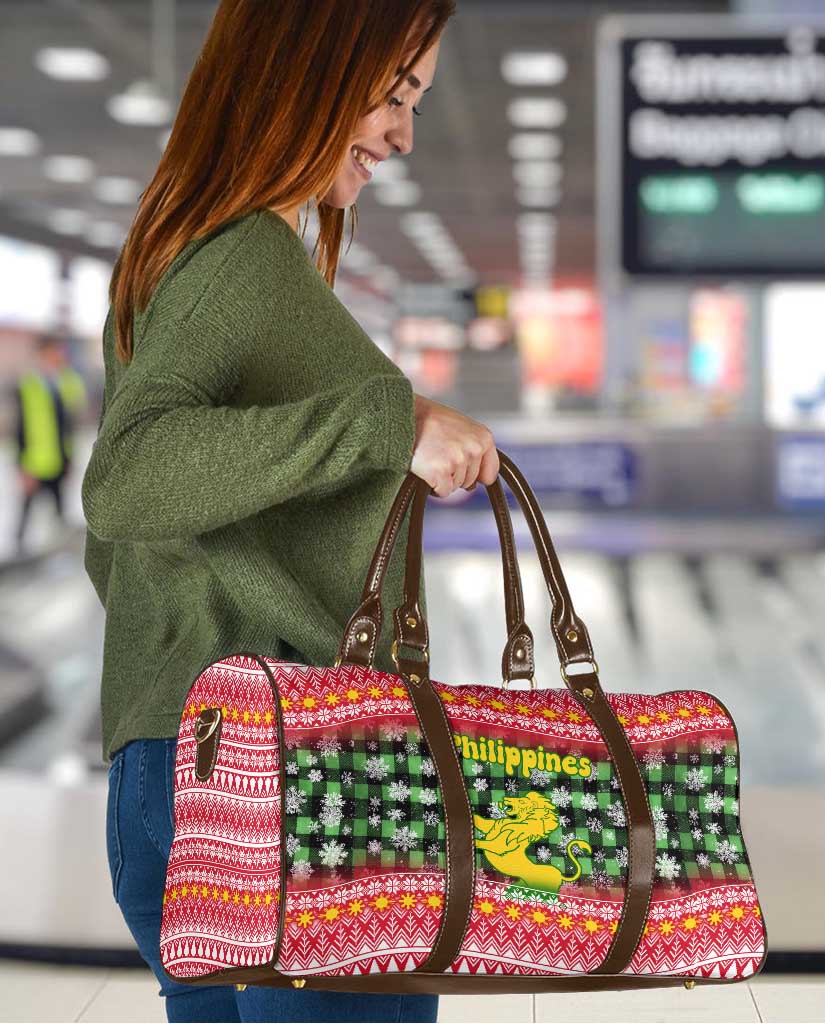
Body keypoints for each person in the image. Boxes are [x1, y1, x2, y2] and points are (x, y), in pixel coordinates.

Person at [81, 3, 497, 1021]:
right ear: (307, 65)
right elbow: (126, 477)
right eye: (395, 94)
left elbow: (132, 540)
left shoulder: (183, 251)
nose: (401, 133)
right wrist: (386, 423)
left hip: (183, 760)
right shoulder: (240, 261)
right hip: (295, 777)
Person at [11, 331, 85, 556]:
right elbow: (20, 428)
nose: (59, 355)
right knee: (26, 512)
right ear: (43, 353)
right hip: (35, 462)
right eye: (54, 351)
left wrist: (70, 458)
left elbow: (71, 419)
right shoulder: (28, 385)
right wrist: (22, 466)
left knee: (60, 511)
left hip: (60, 459)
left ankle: (59, 554)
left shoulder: (65, 381)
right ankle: (18, 554)